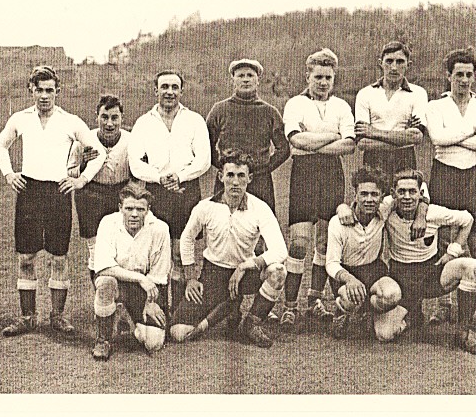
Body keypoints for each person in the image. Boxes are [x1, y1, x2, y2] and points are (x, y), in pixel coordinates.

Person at [0, 65, 107, 337]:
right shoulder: (20, 118)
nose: (44, 95)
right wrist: (9, 173)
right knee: (26, 257)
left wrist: (81, 180)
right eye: (39, 90)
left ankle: (57, 317)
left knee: (59, 258)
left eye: (49, 90)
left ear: (58, 91)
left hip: (58, 193)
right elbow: (0, 145)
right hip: (29, 192)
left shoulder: (71, 121)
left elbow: (99, 152)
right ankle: (28, 317)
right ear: (31, 90)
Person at [170, 150, 288, 348]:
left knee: (278, 272)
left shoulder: (260, 208)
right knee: (178, 333)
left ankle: (251, 323)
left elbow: (280, 249)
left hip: (245, 274)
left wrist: (245, 266)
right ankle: (229, 308)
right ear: (220, 176)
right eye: (230, 175)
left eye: (241, 176)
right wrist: (190, 277)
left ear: (250, 178)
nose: (235, 182)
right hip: (213, 275)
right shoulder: (205, 207)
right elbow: (187, 238)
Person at [279, 48, 356, 332]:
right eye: (318, 77)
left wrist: (314, 141)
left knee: (325, 243)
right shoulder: (295, 103)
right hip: (304, 175)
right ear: (307, 76)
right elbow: (295, 141)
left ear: (334, 79)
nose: (323, 82)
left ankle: (314, 299)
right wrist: (332, 136)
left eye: (328, 78)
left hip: (331, 175)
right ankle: (290, 305)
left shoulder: (342, 106)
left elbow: (349, 145)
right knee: (299, 243)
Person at [424, 47, 476, 332]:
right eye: (459, 74)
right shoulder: (435, 107)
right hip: (444, 177)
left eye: (469, 74)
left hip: (472, 181)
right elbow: (438, 138)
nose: (464, 80)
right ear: (448, 76)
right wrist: (471, 132)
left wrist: (453, 139)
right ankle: (443, 306)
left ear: (474, 76)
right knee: (443, 245)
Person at [128, 70, 210, 315]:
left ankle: (180, 312)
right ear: (156, 90)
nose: (169, 92)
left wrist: (180, 177)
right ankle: (160, 309)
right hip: (156, 192)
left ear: (181, 91)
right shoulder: (144, 123)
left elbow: (204, 160)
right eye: (164, 87)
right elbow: (135, 163)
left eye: (175, 87)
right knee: (160, 253)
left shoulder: (194, 120)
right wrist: (159, 178)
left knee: (182, 251)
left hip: (187, 190)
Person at [385, 169, 476, 355]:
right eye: (401, 191)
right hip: (401, 279)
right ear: (393, 193)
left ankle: (463, 333)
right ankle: (412, 315)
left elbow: (467, 219)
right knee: (384, 333)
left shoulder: (433, 213)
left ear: (420, 194)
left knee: (471, 267)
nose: (407, 197)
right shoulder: (387, 210)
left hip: (431, 274)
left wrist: (453, 251)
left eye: (412, 191)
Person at [327, 166, 427, 341]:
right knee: (350, 299)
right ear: (355, 195)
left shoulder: (385, 208)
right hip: (346, 273)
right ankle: (343, 312)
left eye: (374, 194)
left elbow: (422, 191)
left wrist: (421, 216)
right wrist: (350, 279)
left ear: (382, 197)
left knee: (391, 296)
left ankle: (370, 313)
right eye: (364, 194)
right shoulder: (338, 222)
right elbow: (331, 263)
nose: (369, 200)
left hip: (374, 270)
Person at [90, 184, 171, 360]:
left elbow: (159, 274)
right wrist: (140, 278)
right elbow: (103, 267)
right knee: (105, 283)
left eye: (140, 209)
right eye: (129, 208)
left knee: (154, 343)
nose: (134, 214)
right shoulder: (108, 223)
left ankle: (124, 313)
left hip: (146, 288)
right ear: (120, 208)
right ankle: (103, 340)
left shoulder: (160, 229)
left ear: (148, 210)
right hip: (117, 281)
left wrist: (150, 302)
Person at [206, 58, 290, 212]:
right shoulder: (219, 109)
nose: (245, 80)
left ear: (257, 80)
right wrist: (224, 166)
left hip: (260, 181)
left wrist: (264, 168)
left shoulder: (269, 112)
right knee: (223, 220)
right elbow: (207, 144)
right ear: (233, 80)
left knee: (261, 222)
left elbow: (283, 148)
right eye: (241, 75)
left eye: (250, 75)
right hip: (228, 179)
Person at [68, 94, 132, 284]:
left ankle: (120, 294)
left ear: (122, 118)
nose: (109, 123)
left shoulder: (131, 140)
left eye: (114, 118)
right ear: (97, 117)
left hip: (120, 194)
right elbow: (70, 172)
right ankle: (100, 295)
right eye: (104, 117)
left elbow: (139, 169)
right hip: (91, 195)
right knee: (95, 250)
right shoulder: (83, 141)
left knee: (122, 247)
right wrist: (83, 164)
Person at [354, 41, 428, 178]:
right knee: (372, 192)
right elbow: (363, 143)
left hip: (405, 160)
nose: (394, 67)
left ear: (408, 65)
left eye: (400, 62)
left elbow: (416, 136)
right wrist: (403, 139)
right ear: (380, 63)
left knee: (405, 192)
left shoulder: (418, 93)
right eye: (389, 61)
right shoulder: (365, 93)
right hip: (373, 161)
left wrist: (373, 132)